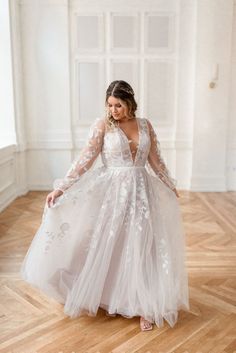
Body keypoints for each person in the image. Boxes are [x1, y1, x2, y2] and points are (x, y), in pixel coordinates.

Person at [20, 80, 189, 331]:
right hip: (112, 193)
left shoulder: (145, 125)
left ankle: (145, 305)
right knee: (111, 243)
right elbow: (84, 160)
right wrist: (62, 187)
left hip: (141, 192)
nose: (113, 110)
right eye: (109, 105)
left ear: (130, 103)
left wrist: (169, 183)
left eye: (118, 105)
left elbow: (155, 160)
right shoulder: (103, 127)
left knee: (143, 244)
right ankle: (106, 293)